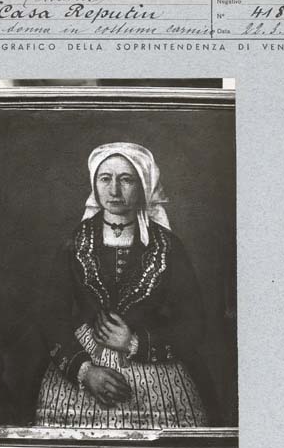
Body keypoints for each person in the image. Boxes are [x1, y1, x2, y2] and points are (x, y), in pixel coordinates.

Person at [36, 142, 214, 429]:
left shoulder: (168, 246)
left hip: (157, 380)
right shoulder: (75, 242)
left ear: (144, 184)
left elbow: (194, 324)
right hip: (84, 369)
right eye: (105, 178)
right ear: (94, 183)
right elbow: (50, 315)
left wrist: (135, 343)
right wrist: (85, 371)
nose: (114, 190)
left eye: (126, 179)